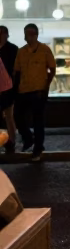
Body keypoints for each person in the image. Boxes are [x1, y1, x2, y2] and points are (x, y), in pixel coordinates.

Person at [12, 23, 56, 161]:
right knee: (18, 116)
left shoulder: (44, 50)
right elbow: (17, 71)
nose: (27, 36)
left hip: (38, 90)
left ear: (36, 35)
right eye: (26, 33)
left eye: (30, 33)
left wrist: (46, 85)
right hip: (23, 90)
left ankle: (38, 148)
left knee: (38, 120)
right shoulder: (21, 51)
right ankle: (28, 138)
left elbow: (52, 69)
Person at [0, 26, 17, 156]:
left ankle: (11, 142)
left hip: (8, 87)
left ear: (6, 34)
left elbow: (16, 70)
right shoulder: (12, 49)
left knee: (9, 116)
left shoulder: (12, 49)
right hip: (6, 86)